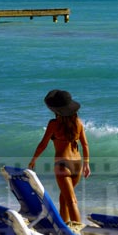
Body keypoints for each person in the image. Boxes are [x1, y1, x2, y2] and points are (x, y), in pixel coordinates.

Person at [28, 89, 90, 224]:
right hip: (77, 164)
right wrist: (86, 164)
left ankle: (78, 229)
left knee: (71, 200)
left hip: (63, 165)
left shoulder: (54, 124)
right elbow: (85, 145)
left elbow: (42, 145)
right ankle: (64, 225)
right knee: (64, 198)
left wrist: (33, 161)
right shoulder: (78, 122)